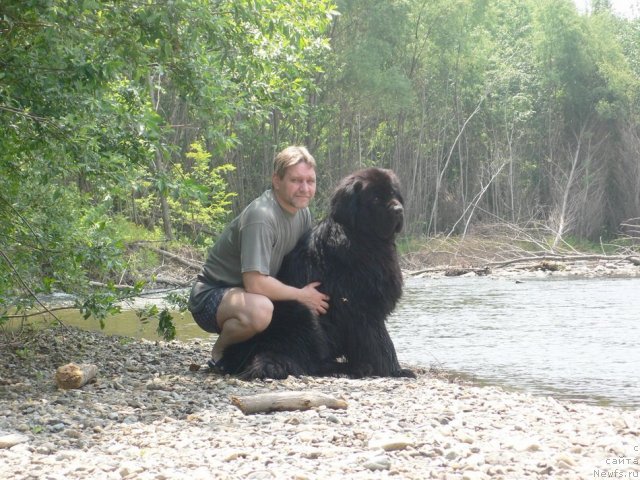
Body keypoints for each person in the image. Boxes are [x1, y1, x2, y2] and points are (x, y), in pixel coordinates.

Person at [188, 145, 330, 371]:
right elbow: (255, 283)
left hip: (251, 294)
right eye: (295, 180)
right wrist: (302, 296)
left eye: (310, 181)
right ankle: (220, 353)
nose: (304, 188)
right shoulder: (262, 216)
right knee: (261, 310)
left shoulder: (302, 213)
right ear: (277, 180)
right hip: (211, 296)